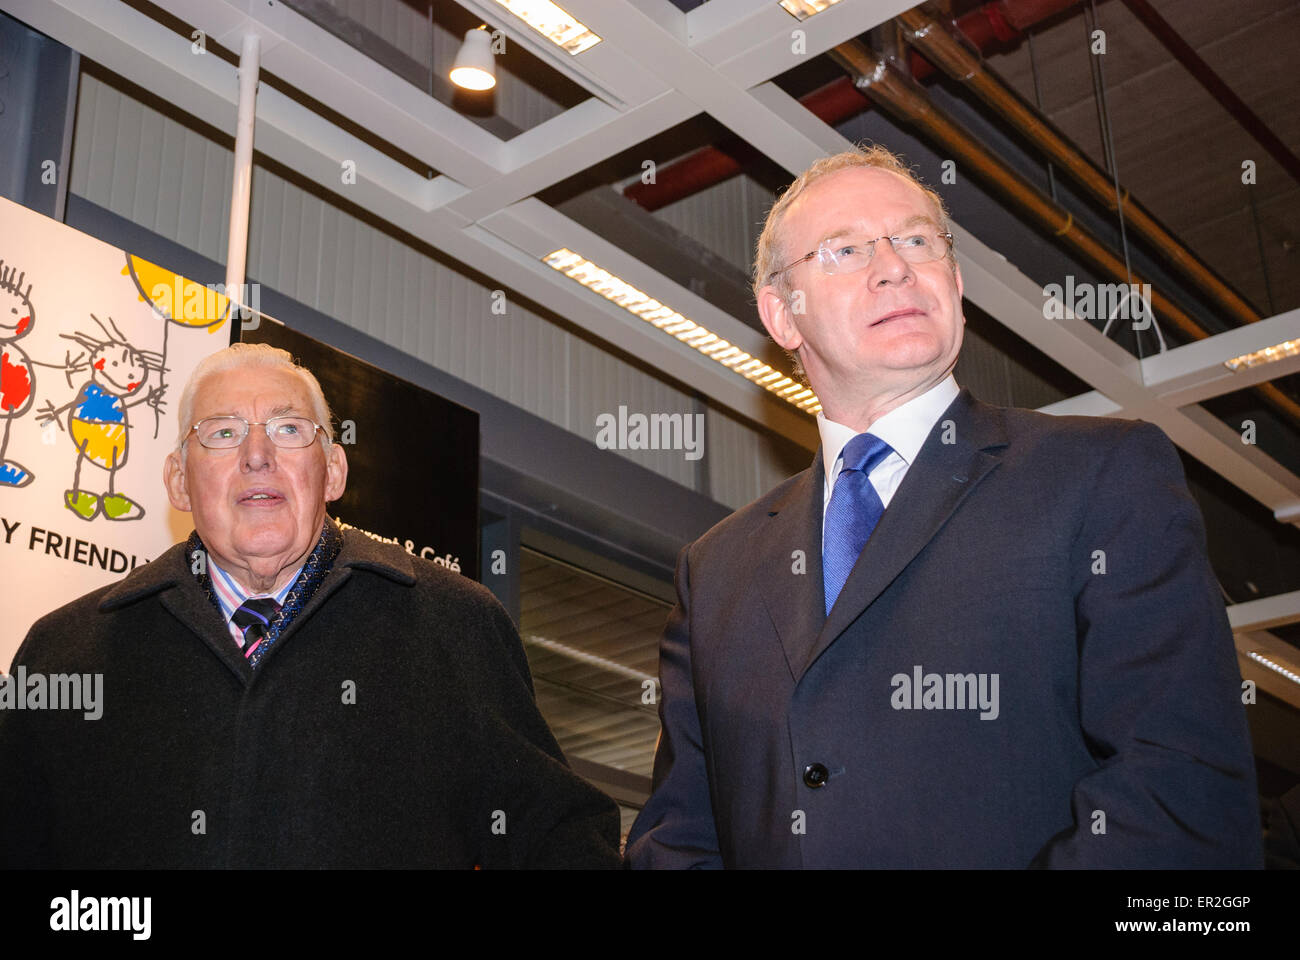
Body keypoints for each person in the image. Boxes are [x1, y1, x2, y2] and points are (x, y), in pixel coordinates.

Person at [625, 146, 1261, 868]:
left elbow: (1181, 790)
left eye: (918, 240)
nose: (895, 266)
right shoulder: (714, 570)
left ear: (954, 282)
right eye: (845, 250)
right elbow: (676, 838)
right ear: (783, 314)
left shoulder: (1102, 473)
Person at [0, 342, 620, 868]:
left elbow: (563, 841)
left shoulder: (452, 624)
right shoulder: (65, 652)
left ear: (333, 471)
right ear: (178, 481)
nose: (257, 454)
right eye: (222, 433)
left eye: (288, 429)